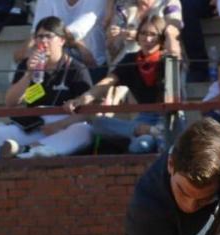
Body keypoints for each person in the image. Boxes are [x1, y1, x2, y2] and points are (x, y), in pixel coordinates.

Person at [0, 15, 95, 158]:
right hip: (34, 125)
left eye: (48, 36)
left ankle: (26, 152)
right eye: (39, 37)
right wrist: (29, 74)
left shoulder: (76, 68)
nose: (43, 41)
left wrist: (60, 125)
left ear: (61, 40)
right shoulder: (27, 65)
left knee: (84, 131)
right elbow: (10, 102)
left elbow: (88, 112)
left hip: (64, 126)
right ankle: (11, 165)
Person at [64, 15, 174, 154]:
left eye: (153, 34)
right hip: (143, 119)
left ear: (162, 38)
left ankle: (148, 133)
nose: (147, 39)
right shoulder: (131, 59)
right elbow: (107, 82)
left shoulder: (169, 60)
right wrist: (81, 99)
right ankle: (147, 131)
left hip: (165, 118)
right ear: (138, 36)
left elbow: (174, 100)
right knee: (98, 123)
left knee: (141, 145)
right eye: (143, 33)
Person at [22, 0, 108, 76]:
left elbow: (73, 33)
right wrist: (79, 44)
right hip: (53, 65)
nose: (43, 39)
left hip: (93, 66)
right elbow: (38, 32)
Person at [105, 0, 182, 70]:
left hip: (160, 62)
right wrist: (112, 37)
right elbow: (112, 45)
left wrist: (139, 36)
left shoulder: (169, 3)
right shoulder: (124, 5)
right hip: (127, 62)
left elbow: (174, 31)